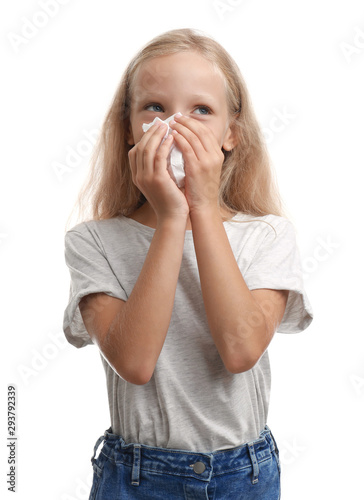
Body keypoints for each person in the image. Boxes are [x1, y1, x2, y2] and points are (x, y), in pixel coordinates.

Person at [63, 28, 314, 500]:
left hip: (245, 476)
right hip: (135, 477)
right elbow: (134, 363)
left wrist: (201, 206)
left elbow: (240, 351)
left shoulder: (267, 236)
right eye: (155, 107)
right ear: (128, 129)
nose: (176, 124)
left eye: (201, 109)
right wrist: (173, 216)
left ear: (231, 134)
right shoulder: (93, 241)